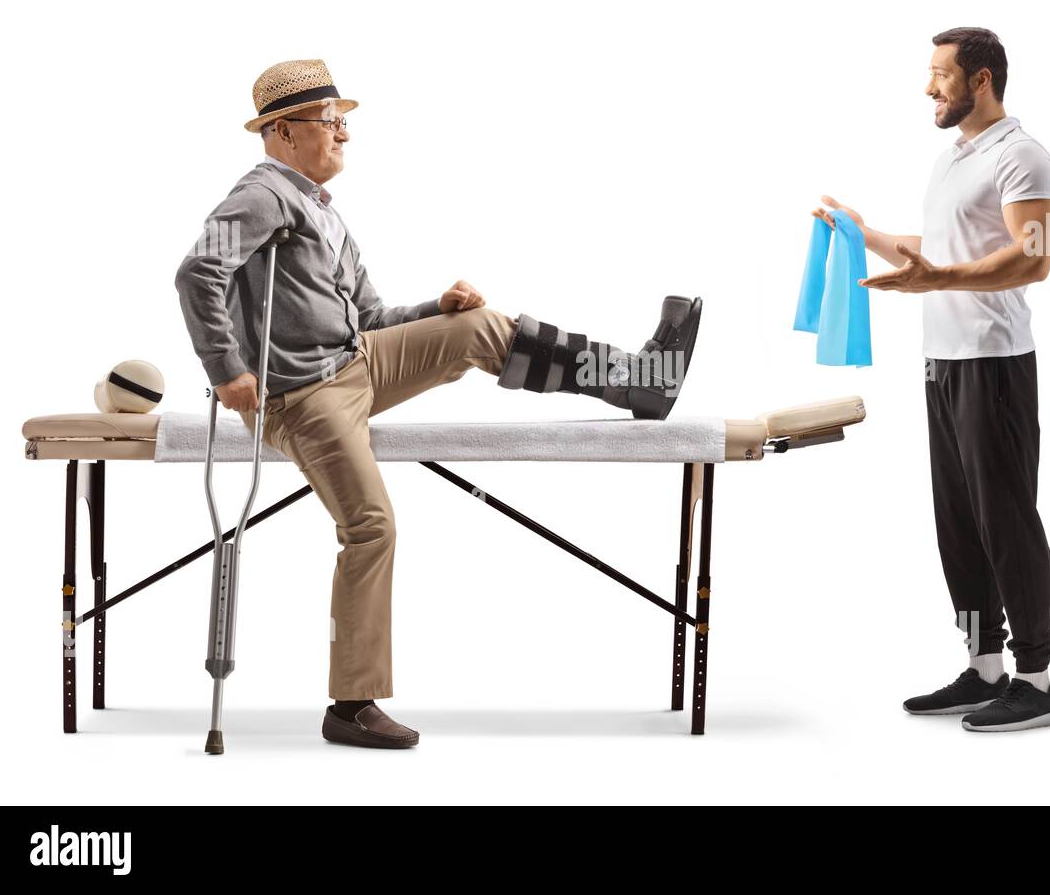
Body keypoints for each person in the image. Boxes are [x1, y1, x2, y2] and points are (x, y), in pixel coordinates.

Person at [175, 59, 702, 748]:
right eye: (331, 122)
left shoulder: (324, 213)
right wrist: (227, 369)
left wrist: (436, 310)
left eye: (344, 122)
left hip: (355, 363)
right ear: (282, 130)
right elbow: (196, 271)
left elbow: (370, 315)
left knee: (476, 326)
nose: (344, 135)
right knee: (371, 526)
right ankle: (350, 704)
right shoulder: (261, 194)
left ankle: (637, 380)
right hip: (302, 395)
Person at [813, 28, 1050, 732]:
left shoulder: (1023, 158)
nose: (930, 88)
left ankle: (1037, 680)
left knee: (1006, 518)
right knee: (958, 523)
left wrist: (940, 280)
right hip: (944, 362)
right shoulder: (954, 158)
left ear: (981, 79)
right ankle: (985, 664)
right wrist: (862, 232)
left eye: (941, 75)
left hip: (995, 362)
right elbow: (942, 252)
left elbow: (1033, 259)